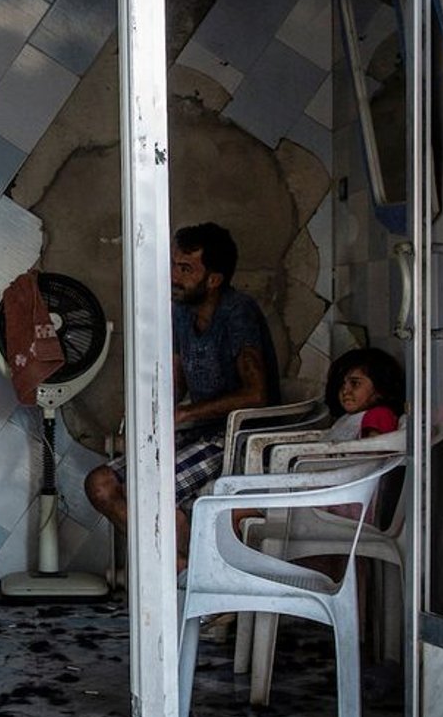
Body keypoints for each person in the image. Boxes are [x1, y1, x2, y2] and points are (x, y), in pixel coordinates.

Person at [84, 221, 280, 559]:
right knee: (100, 484)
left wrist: (185, 413)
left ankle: (189, 576)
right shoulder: (181, 312)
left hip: (236, 439)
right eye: (174, 265)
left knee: (147, 495)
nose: (174, 276)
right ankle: (181, 570)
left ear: (214, 280)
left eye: (186, 269)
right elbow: (174, 380)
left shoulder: (237, 312)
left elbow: (256, 395)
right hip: (199, 434)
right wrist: (149, 415)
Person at [323, 347, 405, 440]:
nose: (345, 391)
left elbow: (375, 447)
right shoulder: (347, 417)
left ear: (380, 389)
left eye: (355, 383)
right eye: (341, 384)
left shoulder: (379, 414)